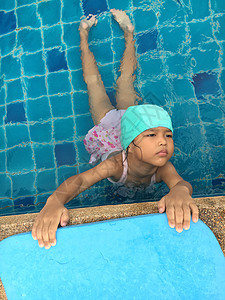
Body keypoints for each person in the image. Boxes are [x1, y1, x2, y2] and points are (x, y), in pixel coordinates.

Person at [32, 9, 199, 249]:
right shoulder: (115, 165)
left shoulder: (162, 166)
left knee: (126, 80)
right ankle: (83, 35)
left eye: (168, 135)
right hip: (110, 126)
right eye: (152, 135)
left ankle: (130, 34)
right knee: (94, 83)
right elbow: (79, 181)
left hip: (133, 126)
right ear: (130, 146)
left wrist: (181, 193)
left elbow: (181, 184)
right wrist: (54, 202)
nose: (163, 142)